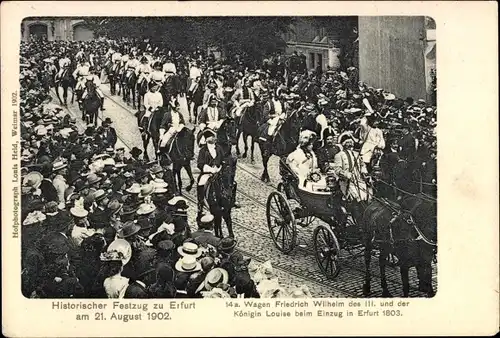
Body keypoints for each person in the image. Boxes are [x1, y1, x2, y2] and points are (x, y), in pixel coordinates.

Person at [332, 133, 372, 225]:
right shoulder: (339, 155)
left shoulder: (356, 154)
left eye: (351, 142)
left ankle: (365, 216)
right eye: (348, 143)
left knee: (366, 197)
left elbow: (362, 165)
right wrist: (346, 174)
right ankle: (359, 219)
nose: (350, 144)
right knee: (357, 198)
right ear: (344, 144)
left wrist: (364, 172)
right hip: (348, 181)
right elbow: (337, 170)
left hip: (359, 178)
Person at [196, 129, 224, 218]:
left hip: (218, 172)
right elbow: (200, 164)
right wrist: (210, 169)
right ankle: (201, 205)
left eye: (214, 136)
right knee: (201, 183)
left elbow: (223, 159)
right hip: (207, 173)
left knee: (231, 183)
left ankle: (231, 200)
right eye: (212, 137)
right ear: (207, 139)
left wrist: (220, 167)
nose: (214, 138)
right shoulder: (203, 150)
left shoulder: (219, 148)